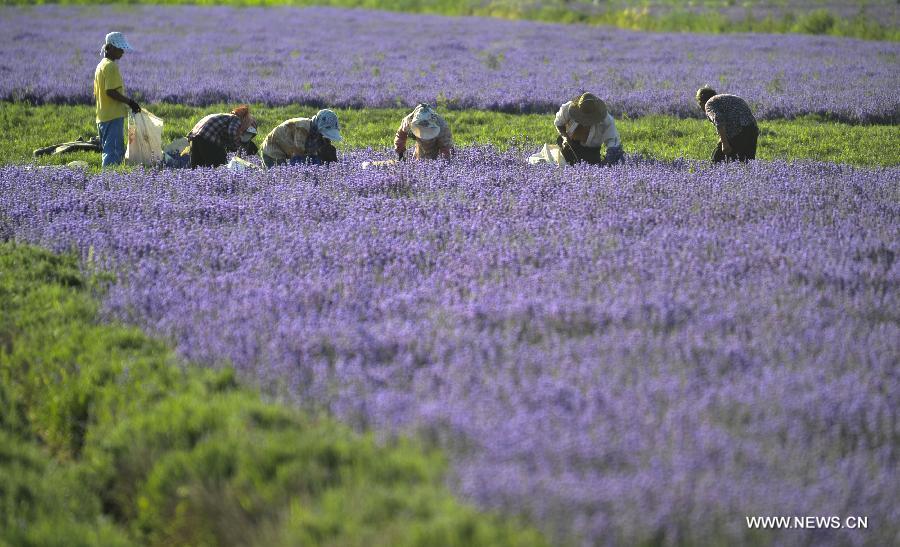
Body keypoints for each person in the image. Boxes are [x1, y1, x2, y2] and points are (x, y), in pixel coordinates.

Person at [94, 32, 140, 169]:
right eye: (120, 49)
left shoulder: (101, 65)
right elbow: (110, 91)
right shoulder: (111, 66)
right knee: (113, 152)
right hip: (112, 116)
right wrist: (130, 102)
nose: (122, 52)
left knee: (108, 150)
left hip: (102, 116)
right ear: (111, 48)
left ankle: (108, 181)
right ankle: (109, 183)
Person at [554, 92, 623, 166]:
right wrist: (565, 137)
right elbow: (559, 123)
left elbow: (613, 143)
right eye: (582, 118)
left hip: (591, 152)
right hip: (569, 146)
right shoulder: (567, 108)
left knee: (592, 165)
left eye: (589, 119)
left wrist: (606, 163)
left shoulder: (606, 121)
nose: (585, 122)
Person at [696, 86, 759, 163]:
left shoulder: (709, 104)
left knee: (716, 162)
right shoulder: (723, 99)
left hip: (738, 130)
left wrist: (724, 143)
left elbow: (718, 120)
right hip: (753, 129)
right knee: (747, 163)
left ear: (701, 102)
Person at [259, 109, 342, 168]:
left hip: (285, 150)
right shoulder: (302, 129)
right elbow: (297, 159)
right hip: (272, 149)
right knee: (277, 177)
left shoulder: (317, 131)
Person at [186, 105, 259, 168]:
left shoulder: (226, 117)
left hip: (196, 135)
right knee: (218, 166)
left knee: (197, 165)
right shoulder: (236, 119)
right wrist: (237, 149)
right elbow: (232, 132)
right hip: (209, 136)